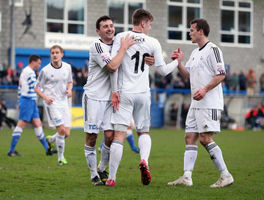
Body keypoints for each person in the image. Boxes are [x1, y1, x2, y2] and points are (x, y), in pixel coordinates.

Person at [107, 8, 183, 186]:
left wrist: (114, 90)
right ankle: (144, 161)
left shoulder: (121, 37)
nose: (150, 27)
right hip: (143, 93)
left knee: (119, 135)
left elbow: (113, 65)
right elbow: (163, 71)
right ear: (143, 23)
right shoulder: (153, 42)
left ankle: (111, 178)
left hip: (124, 92)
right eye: (149, 24)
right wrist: (177, 62)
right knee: (143, 131)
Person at [167, 18, 234, 188]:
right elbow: (187, 75)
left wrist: (204, 89)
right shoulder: (195, 52)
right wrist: (179, 63)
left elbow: (221, 74)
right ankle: (187, 177)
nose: (190, 33)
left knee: (205, 138)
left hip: (209, 103)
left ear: (201, 31)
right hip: (195, 104)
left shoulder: (213, 50)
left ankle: (226, 175)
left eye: (192, 30)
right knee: (190, 137)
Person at [82, 15, 137, 186]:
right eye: (105, 26)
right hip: (93, 97)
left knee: (110, 135)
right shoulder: (97, 46)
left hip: (110, 98)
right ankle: (93, 175)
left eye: (111, 25)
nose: (109, 28)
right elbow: (113, 66)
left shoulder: (116, 45)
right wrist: (124, 48)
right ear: (98, 31)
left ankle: (101, 167)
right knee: (91, 137)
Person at [35, 45, 73, 165]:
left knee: (66, 133)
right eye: (52, 53)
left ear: (62, 54)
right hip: (52, 103)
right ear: (50, 55)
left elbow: (70, 82)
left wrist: (69, 90)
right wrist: (45, 98)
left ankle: (50, 140)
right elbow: (36, 87)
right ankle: (60, 159)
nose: (55, 55)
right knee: (61, 130)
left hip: (64, 102)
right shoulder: (45, 70)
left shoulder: (67, 67)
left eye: (57, 52)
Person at [7, 55, 51, 157]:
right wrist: (46, 95)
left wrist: (19, 101)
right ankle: (11, 150)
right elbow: (35, 87)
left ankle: (47, 149)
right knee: (21, 124)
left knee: (38, 123)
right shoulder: (30, 72)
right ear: (33, 62)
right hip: (27, 101)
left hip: (29, 101)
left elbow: (20, 88)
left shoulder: (25, 71)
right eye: (39, 63)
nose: (39, 65)